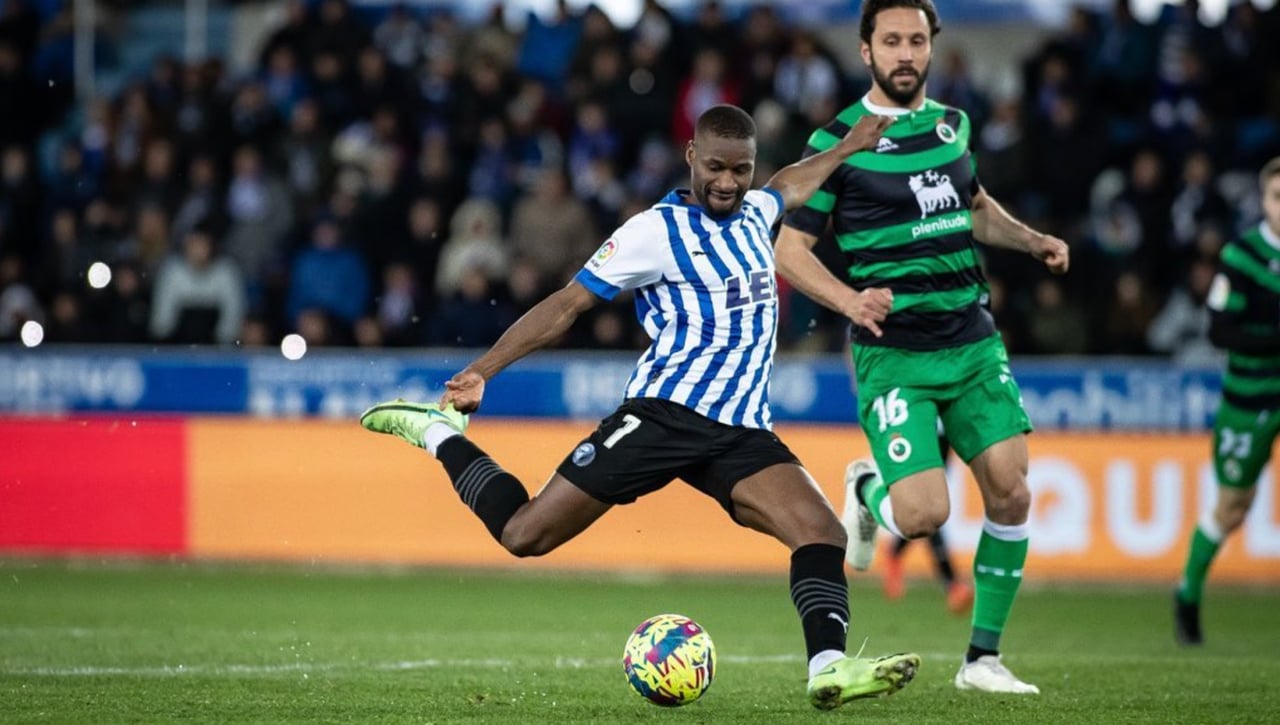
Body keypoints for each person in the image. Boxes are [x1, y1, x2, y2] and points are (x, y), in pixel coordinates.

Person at [360, 105, 918, 710]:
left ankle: (827, 669)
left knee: (821, 533)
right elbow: (567, 304)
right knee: (525, 535)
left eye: (741, 169)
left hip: (740, 432)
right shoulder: (653, 232)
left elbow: (791, 182)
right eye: (716, 168)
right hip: (662, 416)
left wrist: (851, 145)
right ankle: (441, 433)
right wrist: (482, 371)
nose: (728, 182)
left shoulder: (759, 212)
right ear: (690, 158)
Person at [774, 0, 1068, 696]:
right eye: (891, 41)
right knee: (923, 516)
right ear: (865, 49)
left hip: (971, 340)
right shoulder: (837, 140)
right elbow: (790, 249)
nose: (905, 53)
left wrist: (1032, 240)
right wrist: (849, 301)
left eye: (916, 41)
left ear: (931, 47)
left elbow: (972, 207)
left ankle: (982, 661)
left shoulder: (952, 125)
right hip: (894, 353)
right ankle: (867, 490)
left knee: (1013, 489)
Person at [1174, 156, 1280, 645]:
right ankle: (1188, 593)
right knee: (1235, 505)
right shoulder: (1242, 256)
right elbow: (1219, 330)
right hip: (1249, 395)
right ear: (1263, 201)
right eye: (1278, 197)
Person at [877, 430, 975, 614]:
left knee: (927, 507)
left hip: (943, 433)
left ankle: (895, 552)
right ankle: (952, 584)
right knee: (926, 508)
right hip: (919, 427)